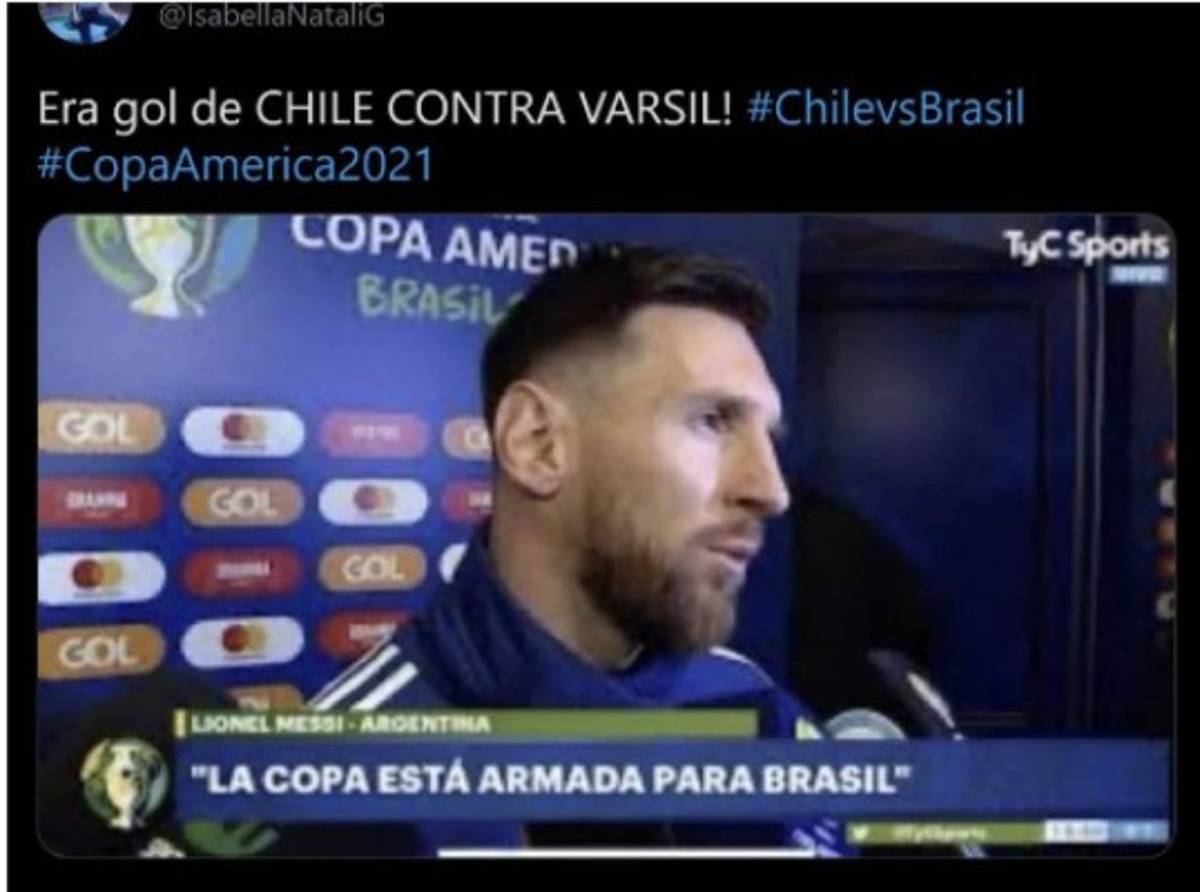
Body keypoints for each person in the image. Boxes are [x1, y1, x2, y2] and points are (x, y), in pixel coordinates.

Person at [310, 244, 845, 854]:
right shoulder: (338, 792)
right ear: (537, 443)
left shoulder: (746, 696)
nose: (771, 491)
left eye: (768, 437)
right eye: (713, 420)